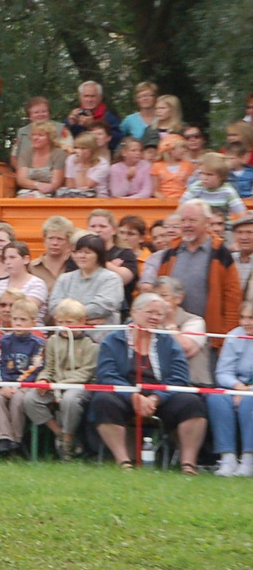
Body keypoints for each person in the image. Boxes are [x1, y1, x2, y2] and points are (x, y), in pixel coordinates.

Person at [92, 293, 208, 472]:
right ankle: (123, 461)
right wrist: (132, 395)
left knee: (192, 403)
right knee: (103, 401)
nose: (155, 317)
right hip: (125, 393)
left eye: (160, 314)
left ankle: (188, 463)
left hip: (161, 395)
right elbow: (107, 375)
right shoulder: (113, 340)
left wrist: (156, 398)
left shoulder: (170, 342)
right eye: (150, 312)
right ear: (134, 312)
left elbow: (179, 377)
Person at [141, 200, 239, 349]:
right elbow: (158, 293)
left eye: (192, 220)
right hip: (169, 333)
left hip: (209, 338)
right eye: (183, 220)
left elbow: (232, 299)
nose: (187, 225)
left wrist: (225, 338)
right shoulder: (171, 253)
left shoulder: (221, 253)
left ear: (207, 222)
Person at [21, 298, 98, 460]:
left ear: (82, 322)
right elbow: (48, 367)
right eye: (60, 322)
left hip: (79, 387)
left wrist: (59, 385)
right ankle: (60, 434)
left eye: (69, 322)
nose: (64, 326)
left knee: (70, 400)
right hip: (54, 385)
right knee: (30, 398)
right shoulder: (53, 341)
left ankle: (69, 439)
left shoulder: (91, 345)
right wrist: (43, 380)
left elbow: (86, 373)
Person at [0, 295, 46, 455]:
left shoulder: (38, 343)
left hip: (26, 384)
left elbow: (35, 368)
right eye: (15, 319)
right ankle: (3, 438)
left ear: (33, 322)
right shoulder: (5, 341)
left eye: (23, 320)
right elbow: (0, 365)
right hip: (7, 383)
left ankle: (16, 440)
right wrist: (4, 384)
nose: (18, 323)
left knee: (19, 398)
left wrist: (17, 384)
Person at [208, 301, 253, 476]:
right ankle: (227, 458)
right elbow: (222, 371)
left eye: (251, 318)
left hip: (250, 391)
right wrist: (237, 387)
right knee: (216, 398)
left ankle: (249, 460)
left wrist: (248, 390)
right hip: (236, 387)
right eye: (242, 317)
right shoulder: (234, 336)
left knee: (250, 400)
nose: (245, 322)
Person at [50, 234, 124, 326]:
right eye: (79, 252)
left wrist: (68, 316)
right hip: (66, 334)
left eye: (87, 252)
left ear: (99, 256)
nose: (82, 256)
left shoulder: (111, 279)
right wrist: (79, 319)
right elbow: (53, 307)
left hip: (100, 337)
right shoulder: (64, 279)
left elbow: (103, 306)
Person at [0, 241, 49, 325]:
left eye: (12, 257)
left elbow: (26, 311)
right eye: (5, 258)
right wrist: (8, 325)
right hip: (2, 334)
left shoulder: (37, 284)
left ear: (26, 259)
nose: (7, 262)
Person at [182, 153, 247, 220]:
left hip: (221, 227)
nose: (204, 178)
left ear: (221, 176)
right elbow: (181, 209)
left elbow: (242, 213)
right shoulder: (195, 187)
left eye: (209, 174)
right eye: (201, 173)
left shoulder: (228, 191)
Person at [64, 81, 121, 151]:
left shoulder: (109, 118)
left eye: (93, 96)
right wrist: (70, 124)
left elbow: (117, 140)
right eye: (86, 96)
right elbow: (62, 140)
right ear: (80, 97)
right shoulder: (74, 116)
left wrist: (92, 125)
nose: (89, 100)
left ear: (100, 97)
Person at [30, 216, 77, 294]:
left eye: (60, 239)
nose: (54, 243)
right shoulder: (32, 267)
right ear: (44, 240)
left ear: (68, 242)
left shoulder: (75, 265)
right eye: (51, 238)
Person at [57, 129, 109, 198]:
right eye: (76, 147)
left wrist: (81, 164)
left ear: (92, 150)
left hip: (98, 199)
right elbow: (70, 185)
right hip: (75, 197)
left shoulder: (102, 165)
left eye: (83, 148)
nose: (78, 151)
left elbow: (83, 188)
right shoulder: (71, 159)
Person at [13, 96, 56, 163]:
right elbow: (14, 156)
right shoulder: (22, 132)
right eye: (36, 112)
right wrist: (21, 171)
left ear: (49, 113)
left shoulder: (61, 129)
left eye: (44, 111)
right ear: (29, 116)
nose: (40, 114)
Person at [150, 133, 193, 199]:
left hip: (183, 202)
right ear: (171, 150)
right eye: (182, 147)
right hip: (163, 203)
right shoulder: (157, 166)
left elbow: (190, 188)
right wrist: (166, 202)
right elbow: (156, 191)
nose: (184, 150)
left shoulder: (188, 165)